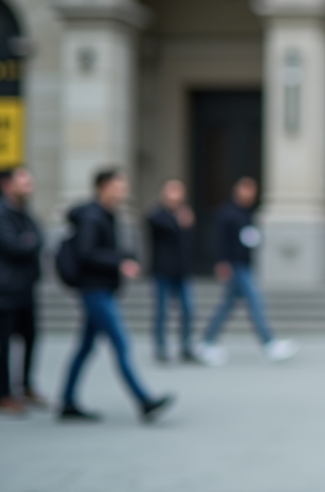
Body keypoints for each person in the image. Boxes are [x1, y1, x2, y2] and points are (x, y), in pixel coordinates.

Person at [58, 167, 173, 423]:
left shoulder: (106, 215)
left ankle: (66, 400)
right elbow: (86, 253)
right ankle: (144, 400)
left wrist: (122, 258)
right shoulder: (92, 216)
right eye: (119, 185)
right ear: (104, 186)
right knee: (120, 343)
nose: (123, 189)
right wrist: (119, 262)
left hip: (101, 288)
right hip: (94, 289)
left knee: (85, 348)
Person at [197, 177, 297, 365]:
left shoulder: (248, 213)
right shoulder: (227, 213)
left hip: (245, 263)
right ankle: (268, 342)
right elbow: (220, 239)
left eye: (252, 190)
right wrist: (221, 262)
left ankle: (206, 342)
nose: (250, 194)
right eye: (246, 189)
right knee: (254, 302)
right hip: (235, 265)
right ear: (238, 190)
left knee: (226, 306)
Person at [0, 166, 45, 414]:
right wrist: (29, 240)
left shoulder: (24, 213)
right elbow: (15, 246)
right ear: (6, 184)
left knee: (31, 337)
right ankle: (1, 394)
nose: (29, 184)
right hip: (3, 291)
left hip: (24, 288)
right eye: (23, 180)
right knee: (3, 344)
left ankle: (24, 386)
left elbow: (36, 239)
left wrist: (29, 240)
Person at [146, 179, 200, 363]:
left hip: (182, 271)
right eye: (172, 191)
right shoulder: (157, 215)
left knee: (188, 309)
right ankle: (160, 347)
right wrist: (179, 221)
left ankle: (185, 346)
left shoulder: (185, 215)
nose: (176, 196)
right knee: (162, 312)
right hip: (163, 271)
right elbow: (161, 226)